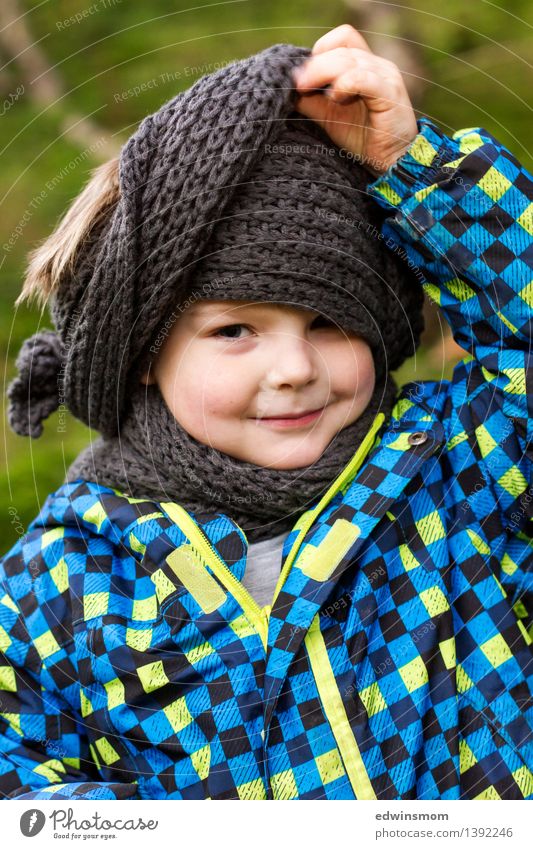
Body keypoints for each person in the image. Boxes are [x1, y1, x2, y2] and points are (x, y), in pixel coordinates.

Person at [0, 24, 531, 801]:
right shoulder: (61, 581)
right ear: (142, 353)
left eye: (328, 321)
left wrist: (415, 167)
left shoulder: (457, 472)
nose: (293, 369)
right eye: (233, 330)